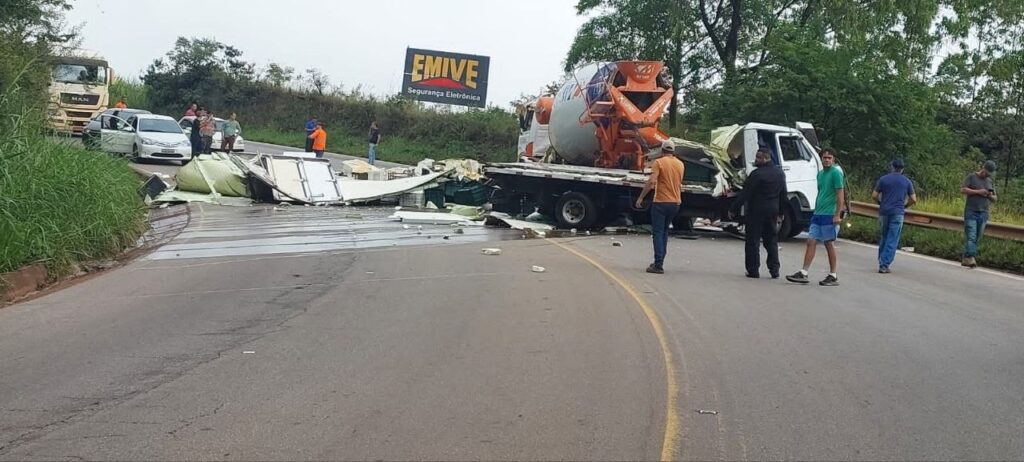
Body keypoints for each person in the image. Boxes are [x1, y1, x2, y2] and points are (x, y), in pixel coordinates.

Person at [786, 148, 845, 286]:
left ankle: (833, 274)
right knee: (810, 241)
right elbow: (822, 192)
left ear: (833, 159)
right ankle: (804, 272)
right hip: (818, 213)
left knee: (828, 243)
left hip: (829, 214)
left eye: (829, 158)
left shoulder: (836, 173)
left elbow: (840, 195)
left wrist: (837, 214)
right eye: (825, 157)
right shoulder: (820, 174)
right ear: (821, 159)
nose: (827, 160)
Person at [730, 148, 788, 278]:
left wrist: (734, 209)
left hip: (756, 211)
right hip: (773, 210)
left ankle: (753, 270)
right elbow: (783, 194)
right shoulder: (780, 174)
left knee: (753, 240)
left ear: (766, 158)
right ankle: (774, 270)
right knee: (771, 240)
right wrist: (781, 212)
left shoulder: (756, 174)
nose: (755, 160)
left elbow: (745, 193)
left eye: (758, 158)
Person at [635, 140, 685, 274]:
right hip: (675, 203)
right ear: (673, 152)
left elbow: (652, 181)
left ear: (662, 151)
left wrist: (641, 197)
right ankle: (660, 261)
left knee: (657, 232)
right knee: (664, 232)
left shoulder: (659, 163)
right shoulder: (680, 164)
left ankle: (658, 264)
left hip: (661, 202)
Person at [872, 157, 917, 273]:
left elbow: (874, 195)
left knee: (884, 236)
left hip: (884, 211)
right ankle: (884, 264)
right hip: (898, 212)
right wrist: (905, 205)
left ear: (892, 167)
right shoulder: (906, 181)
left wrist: (880, 203)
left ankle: (881, 259)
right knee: (892, 238)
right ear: (902, 169)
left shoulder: (883, 179)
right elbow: (913, 199)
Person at [960, 160, 997, 268]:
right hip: (971, 211)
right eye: (986, 172)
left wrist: (989, 195)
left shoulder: (990, 181)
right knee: (971, 234)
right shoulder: (971, 177)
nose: (986, 175)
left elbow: (995, 198)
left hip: (984, 212)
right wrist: (978, 192)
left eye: (989, 173)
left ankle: (966, 256)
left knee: (977, 236)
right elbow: (963, 189)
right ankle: (970, 257)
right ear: (983, 168)